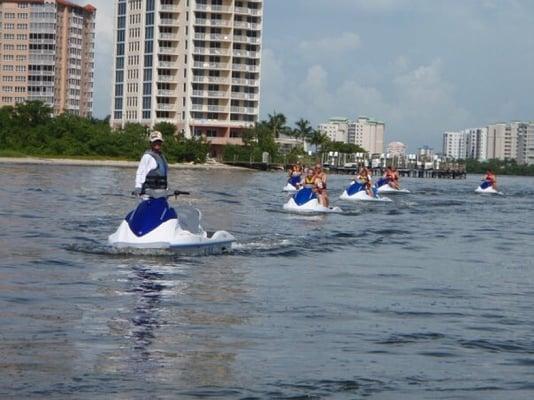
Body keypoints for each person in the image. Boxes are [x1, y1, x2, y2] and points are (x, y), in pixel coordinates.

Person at [133, 131, 168, 196]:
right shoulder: (147, 156)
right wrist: (138, 187)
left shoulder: (162, 156)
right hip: (148, 193)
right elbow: (140, 172)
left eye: (159, 142)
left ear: (161, 143)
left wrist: (166, 190)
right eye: (155, 142)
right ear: (150, 143)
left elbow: (164, 175)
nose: (157, 143)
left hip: (161, 191)